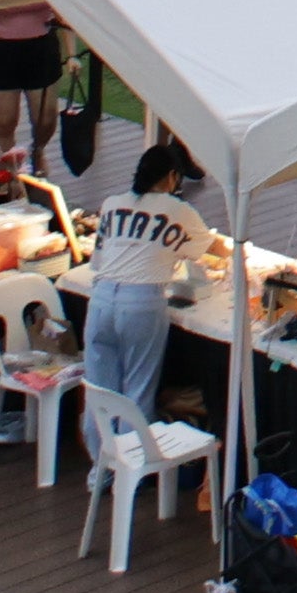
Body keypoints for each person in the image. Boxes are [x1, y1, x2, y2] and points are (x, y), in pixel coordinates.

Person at [77, 125, 209, 412]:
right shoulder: (178, 209)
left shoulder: (112, 204)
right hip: (142, 303)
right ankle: (131, 454)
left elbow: (98, 261)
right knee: (137, 393)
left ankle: (102, 456)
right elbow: (201, 248)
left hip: (101, 299)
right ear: (173, 177)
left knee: (99, 394)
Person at [0, 0, 66, 174]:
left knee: (45, 118)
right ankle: (4, 174)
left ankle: (38, 150)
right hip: (2, 49)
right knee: (4, 121)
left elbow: (65, 13)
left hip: (41, 48)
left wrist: (72, 55)